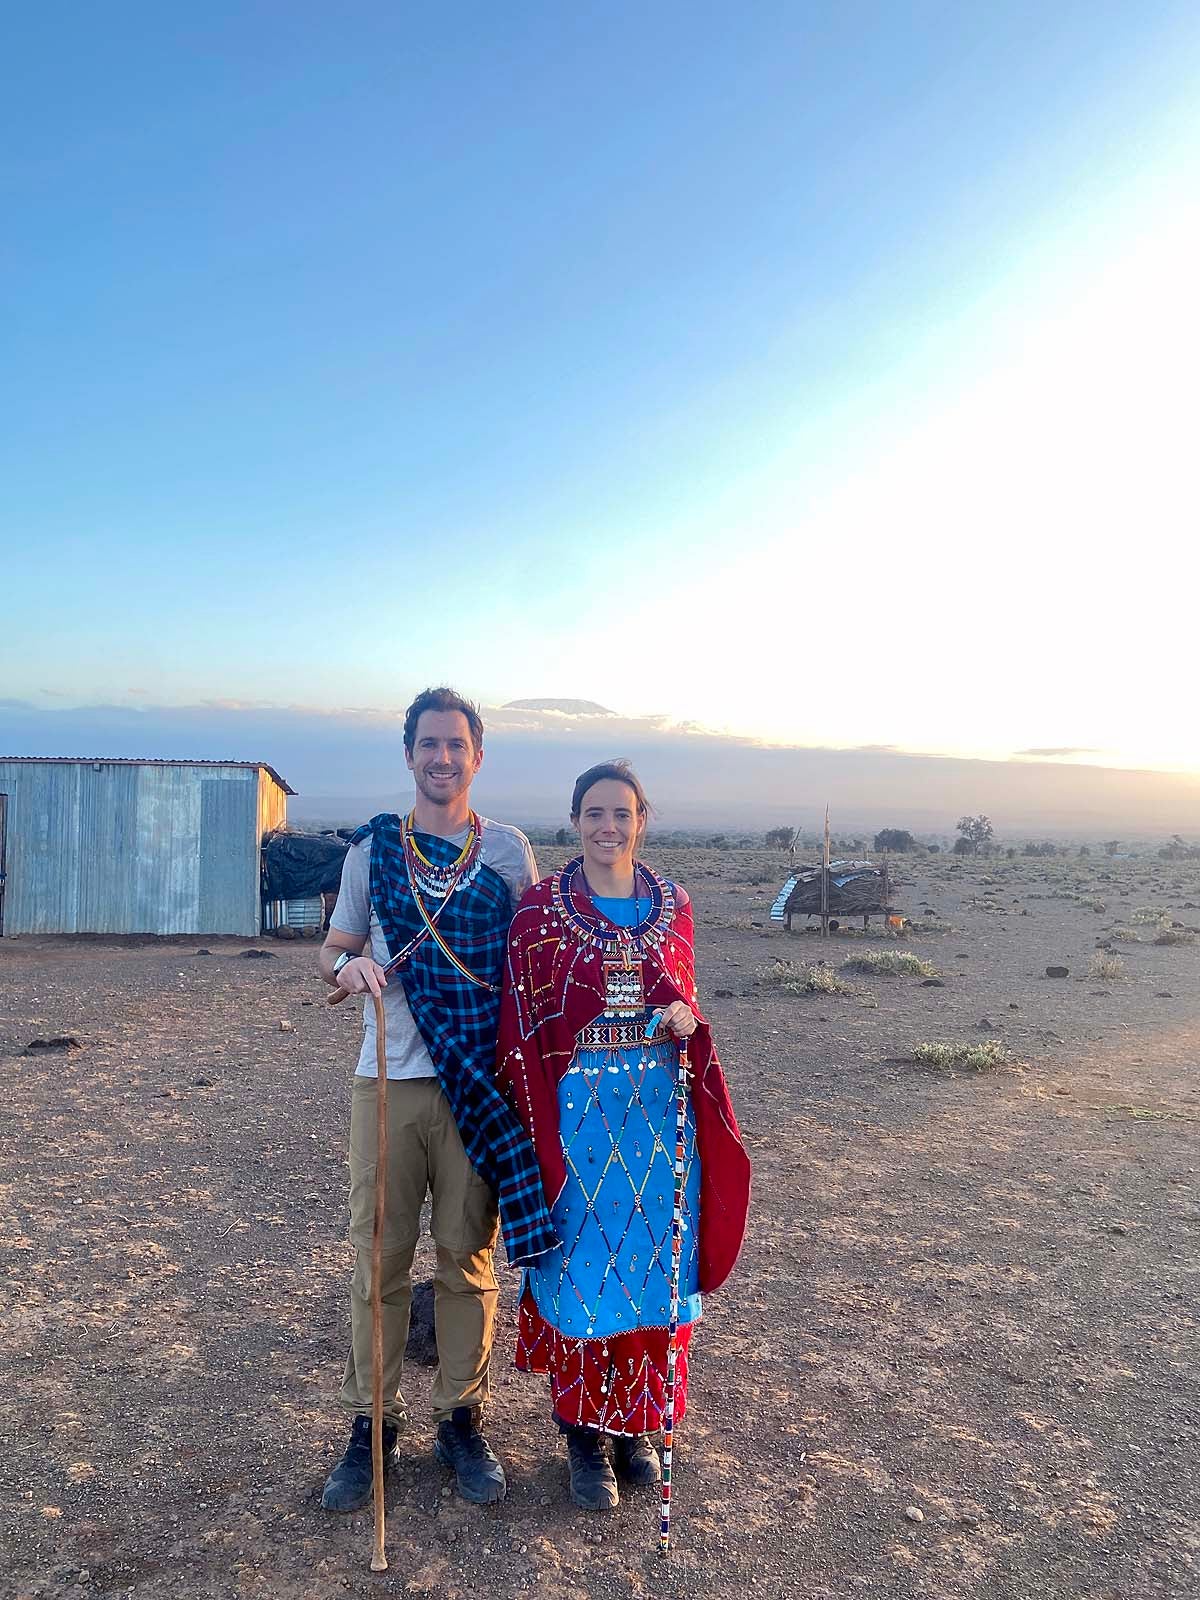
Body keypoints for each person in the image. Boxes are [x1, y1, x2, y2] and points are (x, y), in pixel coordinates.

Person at [318, 686, 556, 1512]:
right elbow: (334, 949)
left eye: (457, 744)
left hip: (475, 1092)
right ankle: (371, 1427)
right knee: (378, 1261)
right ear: (409, 754)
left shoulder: (507, 855)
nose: (442, 758)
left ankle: (462, 1418)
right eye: (429, 744)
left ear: (477, 756)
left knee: (467, 1261)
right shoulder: (372, 854)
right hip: (384, 1083)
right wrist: (345, 969)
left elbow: (536, 969)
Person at [496, 760, 750, 1511]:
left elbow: (683, 995)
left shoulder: (677, 905)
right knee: (584, 1273)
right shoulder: (541, 911)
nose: (609, 827)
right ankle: (582, 1437)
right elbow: (521, 1022)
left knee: (651, 1272)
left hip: (659, 1121)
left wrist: (685, 1018)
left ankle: (638, 1429)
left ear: (643, 819)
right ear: (574, 820)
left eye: (623, 813)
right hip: (577, 1126)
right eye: (594, 813)